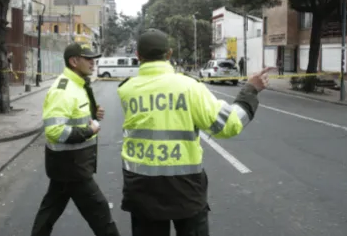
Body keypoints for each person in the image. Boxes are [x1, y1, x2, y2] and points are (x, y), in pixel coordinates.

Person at [117, 28, 272, 236]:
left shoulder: (127, 90)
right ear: (169, 53)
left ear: (138, 56)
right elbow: (229, 125)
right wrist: (250, 91)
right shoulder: (189, 87)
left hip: (140, 186)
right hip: (184, 187)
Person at [31, 42, 120, 236]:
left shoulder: (77, 85)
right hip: (72, 168)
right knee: (100, 212)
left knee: (50, 210)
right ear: (73, 61)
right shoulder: (63, 90)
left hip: (67, 166)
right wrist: (89, 131)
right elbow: (55, 131)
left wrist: (93, 113)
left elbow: (74, 114)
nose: (93, 63)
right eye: (88, 59)